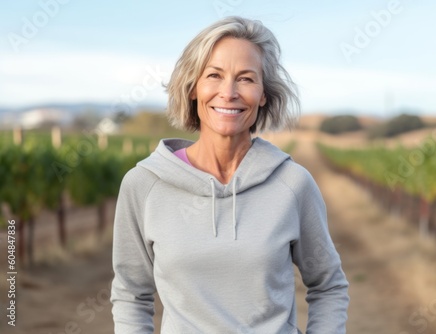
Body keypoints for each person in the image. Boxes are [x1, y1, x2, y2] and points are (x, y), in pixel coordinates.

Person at [110, 16, 349, 333]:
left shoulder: (293, 184)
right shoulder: (144, 185)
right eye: (214, 75)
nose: (229, 92)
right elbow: (130, 294)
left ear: (263, 94)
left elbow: (328, 285)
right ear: (193, 87)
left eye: (246, 79)